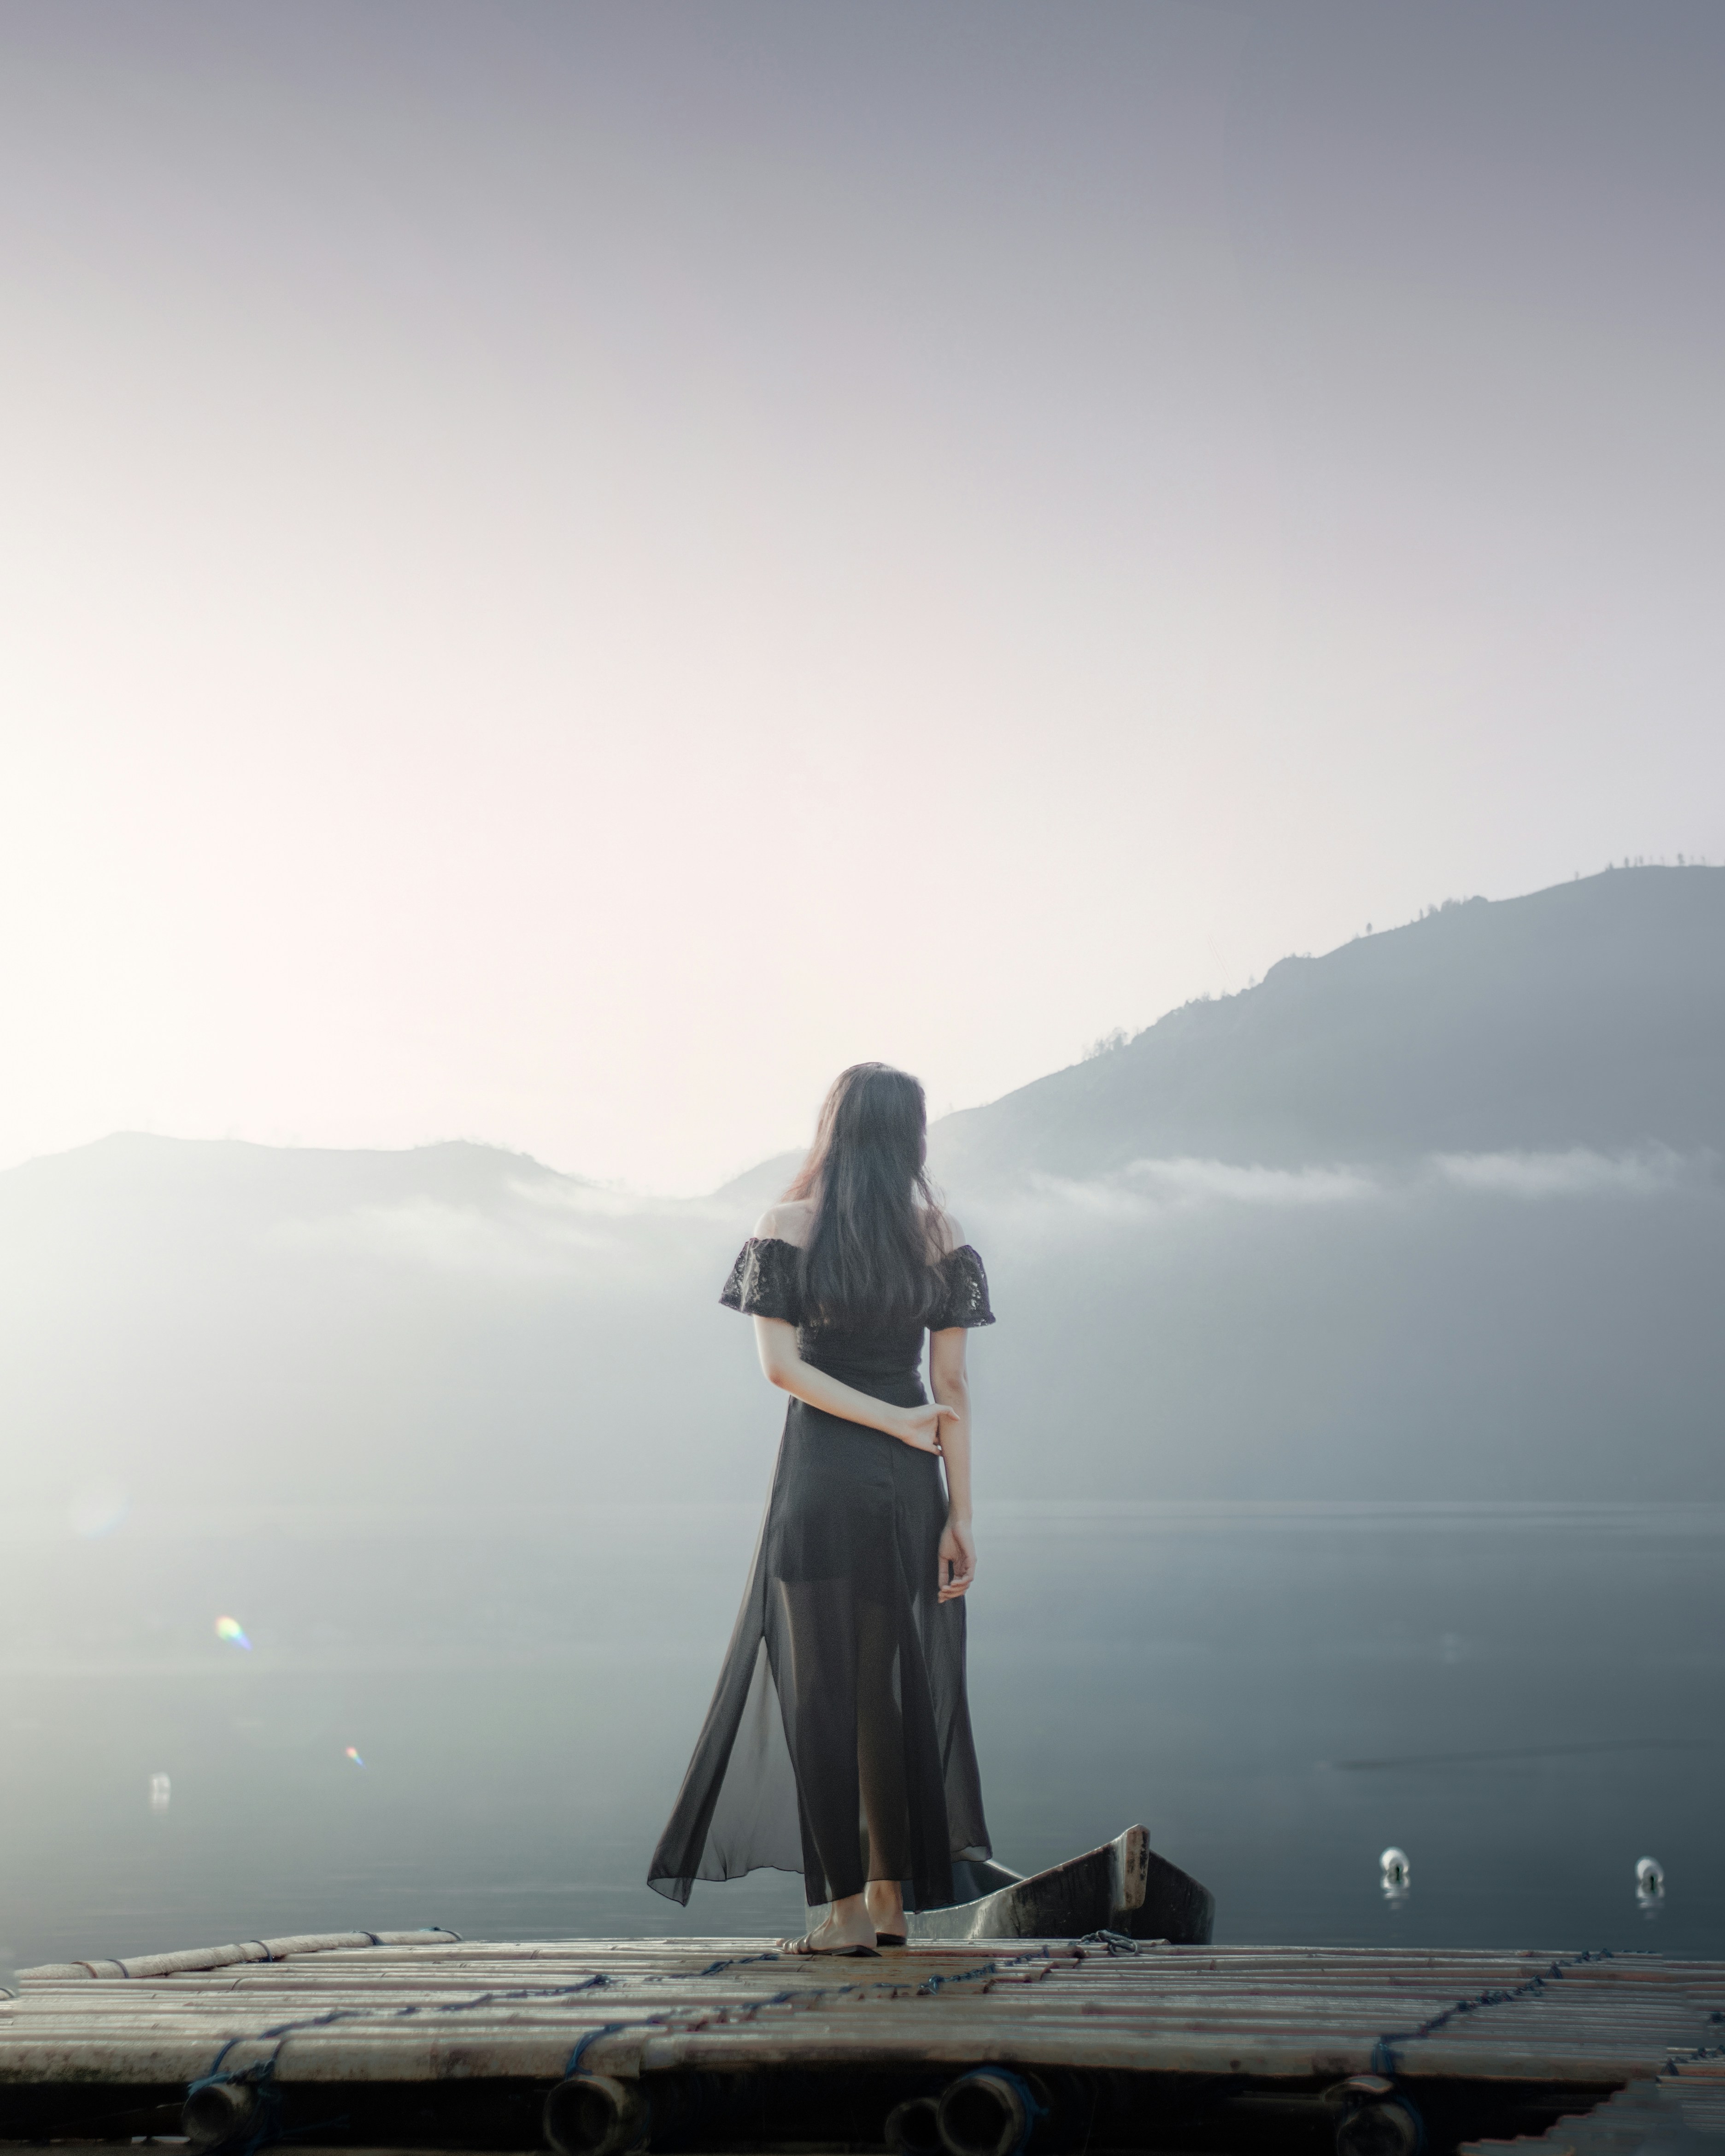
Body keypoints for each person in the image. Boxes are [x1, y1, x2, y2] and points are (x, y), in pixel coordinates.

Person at [647, 1062, 995, 1953]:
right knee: (888, 1692)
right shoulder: (940, 1235)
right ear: (913, 1136)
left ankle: (838, 1913)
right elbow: (950, 1386)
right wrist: (961, 1515)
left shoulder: (788, 1226)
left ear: (832, 1128)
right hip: (910, 1486)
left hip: (823, 1479)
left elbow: (783, 1371)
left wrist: (884, 1422)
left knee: (825, 1693)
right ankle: (888, 1908)